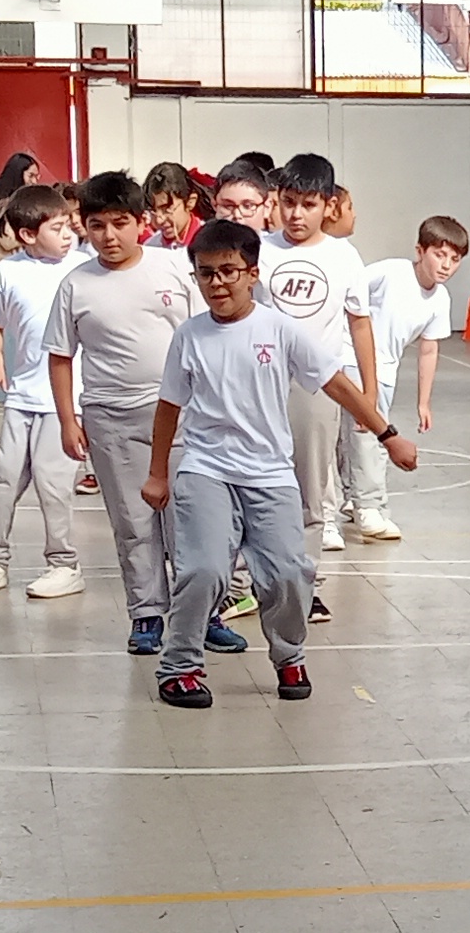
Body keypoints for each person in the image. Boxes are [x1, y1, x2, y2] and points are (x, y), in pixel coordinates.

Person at [141, 219, 417, 708]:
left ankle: (289, 655)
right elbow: (169, 406)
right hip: (206, 470)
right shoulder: (189, 336)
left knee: (289, 573)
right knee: (203, 570)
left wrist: (387, 434)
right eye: (206, 273)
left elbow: (336, 383)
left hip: (269, 474)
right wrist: (158, 472)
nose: (217, 283)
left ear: (252, 273)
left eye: (229, 271)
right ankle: (179, 666)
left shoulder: (280, 329)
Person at [48, 171, 220, 659]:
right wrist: (68, 420)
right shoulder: (75, 284)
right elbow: (60, 356)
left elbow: (205, 335)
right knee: (133, 520)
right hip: (110, 416)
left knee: (189, 521)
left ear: (141, 222)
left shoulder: (174, 269)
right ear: (83, 226)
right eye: (97, 225)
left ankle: (203, 614)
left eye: (120, 223)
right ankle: (146, 613)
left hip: (182, 413)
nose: (109, 236)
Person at [261, 156, 375, 591]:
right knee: (260, 487)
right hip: (261, 385)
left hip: (317, 388)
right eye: (288, 202)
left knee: (310, 489)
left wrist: (366, 395)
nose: (295, 214)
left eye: (308, 204)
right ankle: (254, 580)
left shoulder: (344, 256)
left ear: (329, 206)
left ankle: (303, 582)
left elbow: (359, 324)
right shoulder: (260, 250)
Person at [0, 183, 88, 599]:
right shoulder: (7, 273)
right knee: (3, 478)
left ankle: (64, 563)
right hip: (22, 397)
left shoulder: (84, 268)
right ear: (27, 234)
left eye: (68, 225)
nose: (68, 234)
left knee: (54, 484)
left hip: (63, 401)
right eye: (57, 228)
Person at [352, 217, 464, 533]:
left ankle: (356, 501)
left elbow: (428, 350)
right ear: (420, 251)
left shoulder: (440, 299)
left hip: (385, 372)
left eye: (455, 259)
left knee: (364, 436)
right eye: (439, 255)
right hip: (350, 361)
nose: (446, 265)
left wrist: (423, 402)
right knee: (368, 436)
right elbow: (350, 290)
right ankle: (369, 506)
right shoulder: (390, 272)